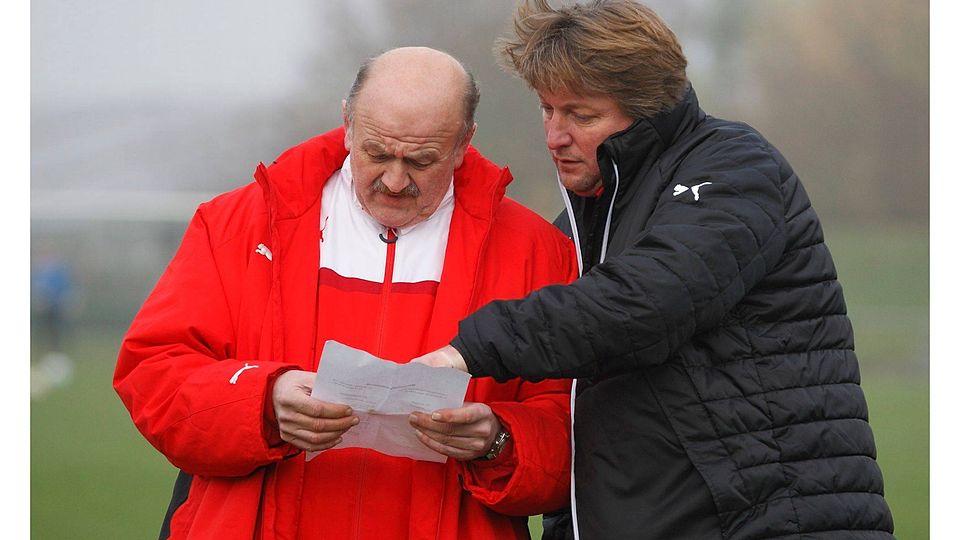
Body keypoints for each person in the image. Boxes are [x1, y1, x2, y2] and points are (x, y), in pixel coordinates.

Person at [413, 2, 896, 538]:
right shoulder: (579, 222)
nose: (554, 136)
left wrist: (469, 351)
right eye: (547, 110)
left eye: (582, 115)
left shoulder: (735, 168)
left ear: (646, 108)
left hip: (766, 522)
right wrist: (495, 433)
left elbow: (643, 303)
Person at [114, 46, 579, 539]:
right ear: (348, 123)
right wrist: (263, 401)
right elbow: (153, 373)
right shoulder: (236, 226)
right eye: (377, 153)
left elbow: (581, 432)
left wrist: (499, 441)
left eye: (421, 160)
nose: (395, 181)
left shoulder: (539, 252)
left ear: (465, 142)